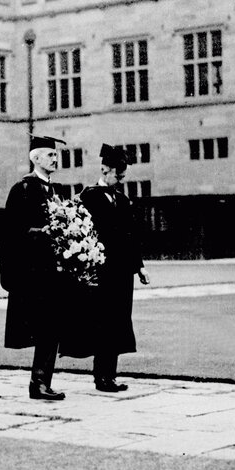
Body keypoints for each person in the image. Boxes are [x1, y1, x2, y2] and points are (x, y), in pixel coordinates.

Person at [1, 136, 69, 401]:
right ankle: (38, 383)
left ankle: (43, 382)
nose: (55, 158)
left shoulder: (55, 190)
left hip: (54, 271)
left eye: (56, 154)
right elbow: (12, 232)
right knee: (45, 327)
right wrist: (43, 232)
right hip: (35, 272)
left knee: (53, 328)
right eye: (50, 154)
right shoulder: (24, 189)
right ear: (35, 158)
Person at [77, 145, 150, 392]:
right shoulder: (89, 197)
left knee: (119, 322)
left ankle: (111, 374)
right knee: (103, 323)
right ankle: (101, 377)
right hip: (101, 272)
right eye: (118, 176)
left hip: (121, 273)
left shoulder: (122, 199)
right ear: (105, 170)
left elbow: (132, 237)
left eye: (122, 177)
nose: (120, 180)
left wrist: (139, 266)